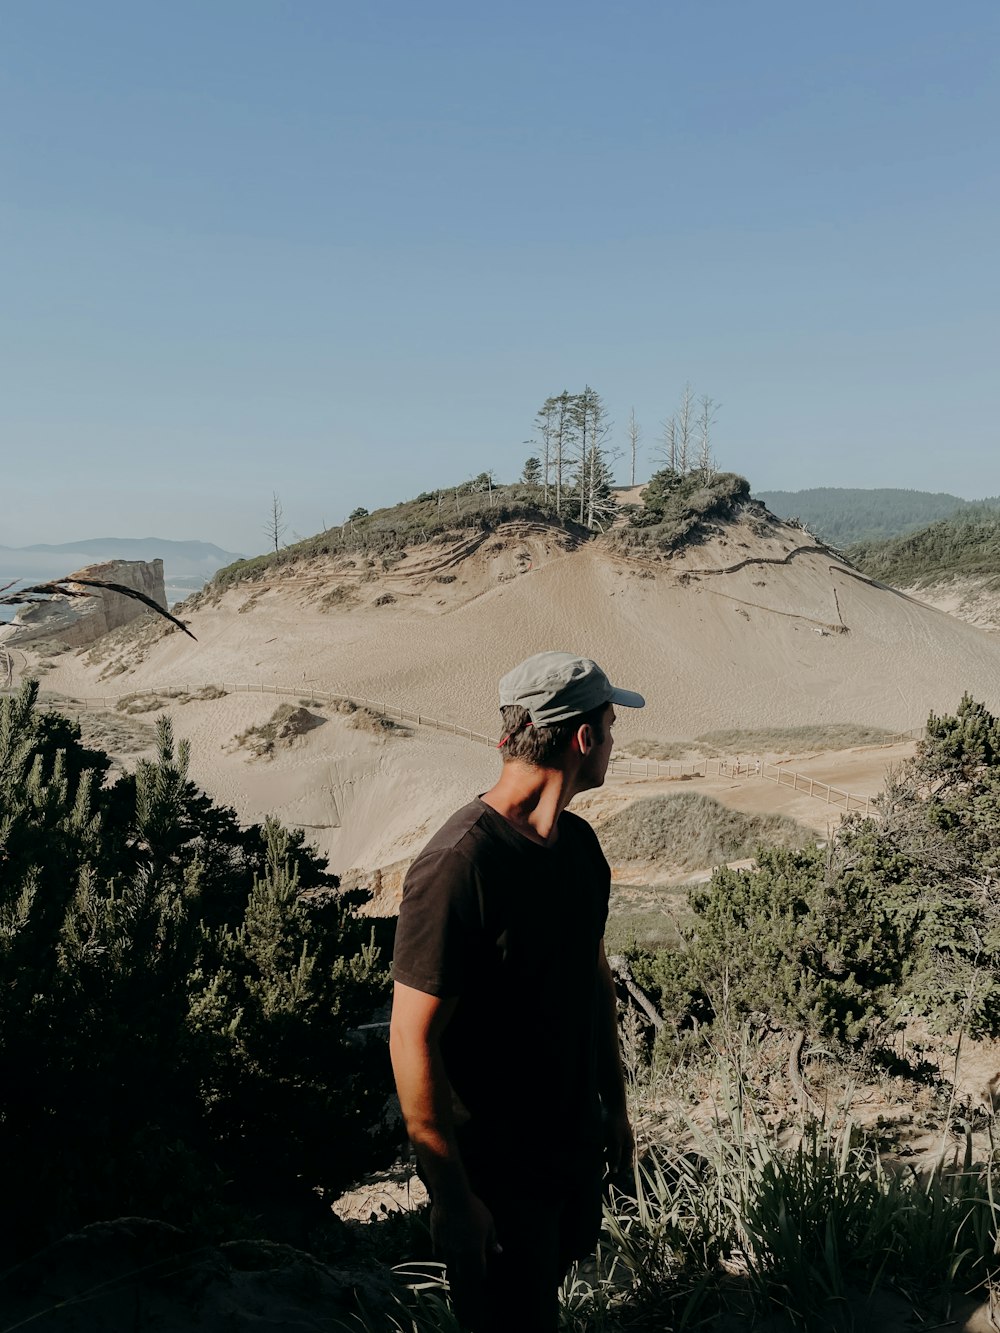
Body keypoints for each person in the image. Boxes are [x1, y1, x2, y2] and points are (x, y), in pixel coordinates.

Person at [389, 651, 645, 1332]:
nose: (615, 742)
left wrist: (613, 1107)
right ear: (583, 738)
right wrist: (450, 1197)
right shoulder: (457, 866)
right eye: (611, 726)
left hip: (567, 1151)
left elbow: (592, 981)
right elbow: (412, 1039)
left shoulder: (580, 848)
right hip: (495, 1180)